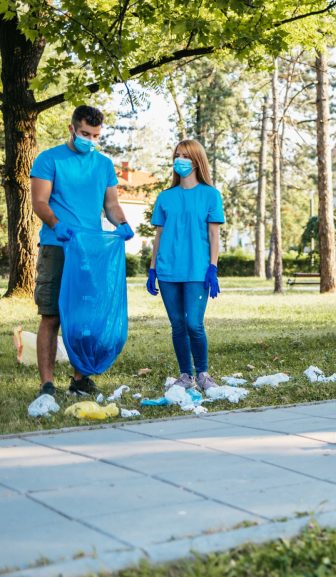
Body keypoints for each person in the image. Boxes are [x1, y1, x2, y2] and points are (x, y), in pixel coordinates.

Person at [30, 105, 134, 398]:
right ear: (71, 128)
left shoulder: (102, 164)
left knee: (85, 316)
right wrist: (57, 224)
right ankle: (47, 384)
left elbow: (111, 205)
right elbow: (39, 202)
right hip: (57, 246)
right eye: (85, 133)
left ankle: (79, 379)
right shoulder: (49, 159)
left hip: (91, 251)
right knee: (51, 315)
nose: (90, 139)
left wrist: (122, 224)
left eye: (95, 135)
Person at [146, 140, 224, 391]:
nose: (180, 160)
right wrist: (152, 268)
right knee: (178, 324)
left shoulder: (211, 195)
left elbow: (214, 235)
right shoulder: (165, 197)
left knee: (194, 324)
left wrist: (213, 267)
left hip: (197, 270)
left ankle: (202, 373)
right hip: (168, 270)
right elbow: (158, 235)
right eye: (177, 155)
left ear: (197, 160)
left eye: (186, 156)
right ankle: (185, 375)